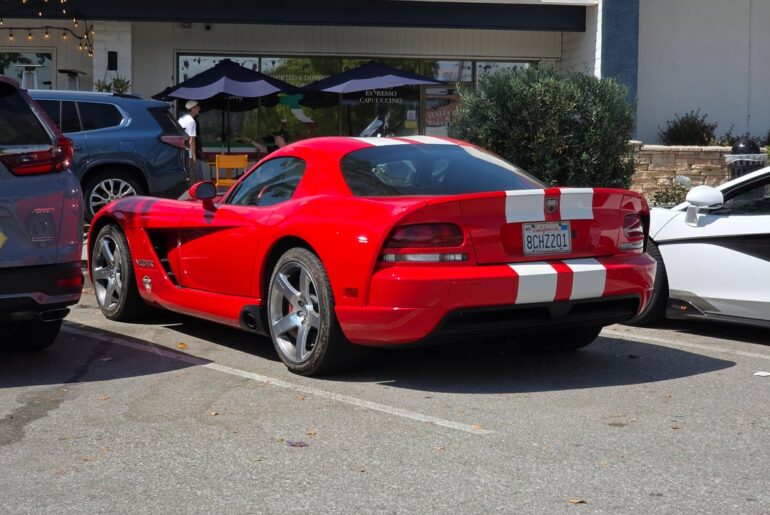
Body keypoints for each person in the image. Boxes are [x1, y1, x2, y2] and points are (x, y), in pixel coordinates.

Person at [178, 100, 204, 179]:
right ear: (192, 109)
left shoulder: (181, 118)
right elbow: (192, 139)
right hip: (188, 154)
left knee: (185, 177)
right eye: (197, 108)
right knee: (192, 177)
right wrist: (194, 156)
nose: (199, 109)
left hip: (181, 152)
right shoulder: (191, 121)